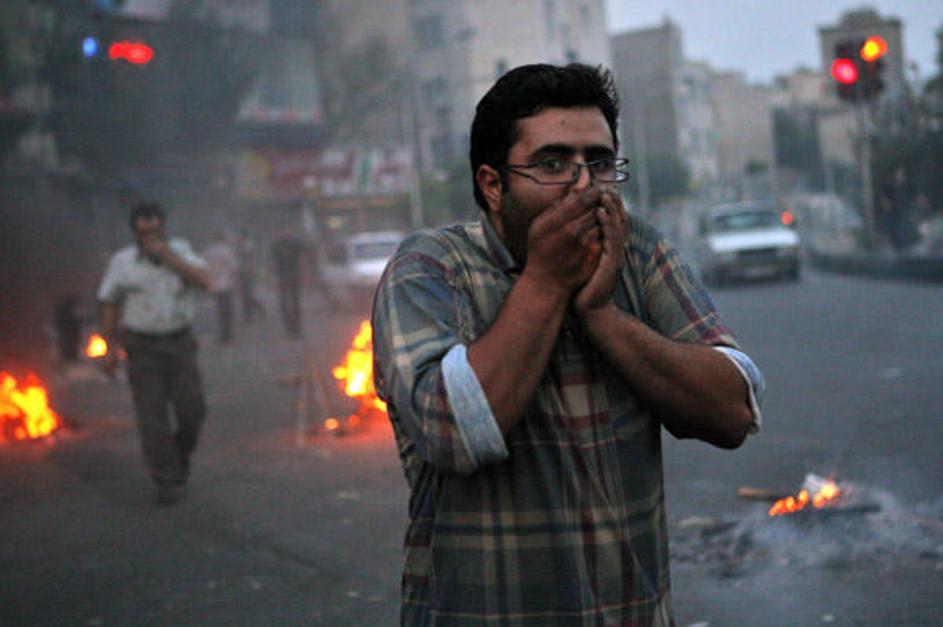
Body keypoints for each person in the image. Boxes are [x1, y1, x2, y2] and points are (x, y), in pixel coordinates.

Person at [371, 64, 765, 625]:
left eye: (599, 163)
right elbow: (452, 434)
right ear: (492, 184)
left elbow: (732, 411)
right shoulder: (431, 267)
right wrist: (548, 282)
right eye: (553, 163)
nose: (584, 185)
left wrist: (601, 313)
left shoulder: (639, 252)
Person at [97, 203, 211, 505]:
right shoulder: (122, 262)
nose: (149, 236)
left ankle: (177, 456)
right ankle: (168, 480)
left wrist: (169, 259)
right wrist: (108, 348)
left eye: (155, 229)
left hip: (179, 344)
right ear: (134, 231)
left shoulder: (181, 250)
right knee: (153, 419)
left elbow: (207, 281)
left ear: (163, 227)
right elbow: (109, 301)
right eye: (143, 231)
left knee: (193, 410)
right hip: (142, 348)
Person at [270, 227, 307, 338]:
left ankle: (296, 327)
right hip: (283, 276)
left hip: (293, 274)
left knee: (295, 303)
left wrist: (303, 273)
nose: (285, 233)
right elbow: (273, 262)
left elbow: (302, 259)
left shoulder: (295, 243)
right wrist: (272, 277)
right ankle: (289, 328)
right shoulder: (276, 246)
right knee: (285, 303)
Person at [204, 230, 239, 343]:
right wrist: (236, 282)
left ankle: (223, 334)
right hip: (226, 283)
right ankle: (227, 334)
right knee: (228, 310)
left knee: (220, 309)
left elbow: (205, 268)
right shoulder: (227, 251)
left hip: (215, 284)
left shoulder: (209, 251)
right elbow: (233, 268)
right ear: (223, 239)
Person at [235, 231, 266, 322]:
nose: (237, 237)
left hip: (248, 272)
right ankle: (248, 315)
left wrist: (251, 270)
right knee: (244, 295)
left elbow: (251, 258)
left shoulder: (248, 245)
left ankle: (258, 310)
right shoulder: (238, 246)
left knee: (248, 294)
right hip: (242, 272)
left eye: (239, 235)